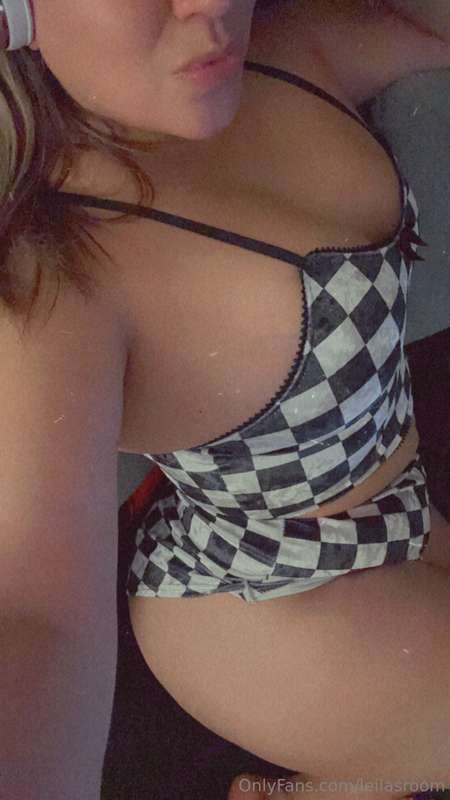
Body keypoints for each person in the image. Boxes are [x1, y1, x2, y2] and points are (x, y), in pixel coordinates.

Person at [0, 1, 449, 798]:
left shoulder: (282, 48)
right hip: (260, 608)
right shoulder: (50, 279)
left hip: (398, 501)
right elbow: (37, 615)